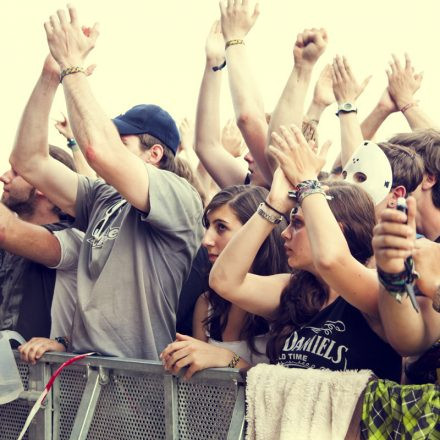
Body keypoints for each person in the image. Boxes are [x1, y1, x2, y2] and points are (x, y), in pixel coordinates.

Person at [10, 6, 203, 359]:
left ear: (154, 153)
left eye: (123, 140)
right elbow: (28, 161)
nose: (112, 144)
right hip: (87, 371)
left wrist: (73, 66)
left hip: (136, 380)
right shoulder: (104, 197)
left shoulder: (180, 196)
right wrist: (50, 76)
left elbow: (100, 151)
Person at [209, 125, 401, 381]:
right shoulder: (294, 289)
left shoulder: (372, 289)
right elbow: (223, 280)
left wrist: (309, 183)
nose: (285, 233)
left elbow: (332, 260)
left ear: (337, 231)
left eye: (297, 223)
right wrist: (273, 205)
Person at [161, 185, 288, 379]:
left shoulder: (286, 296)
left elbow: (286, 385)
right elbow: (200, 383)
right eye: (208, 226)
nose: (206, 240)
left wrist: (229, 359)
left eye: (221, 227)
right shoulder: (207, 303)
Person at [0, 146, 75, 341]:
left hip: (49, 370)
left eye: (16, 172)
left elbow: (6, 230)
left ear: (43, 185)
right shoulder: (8, 246)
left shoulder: (69, 238)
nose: (4, 177)